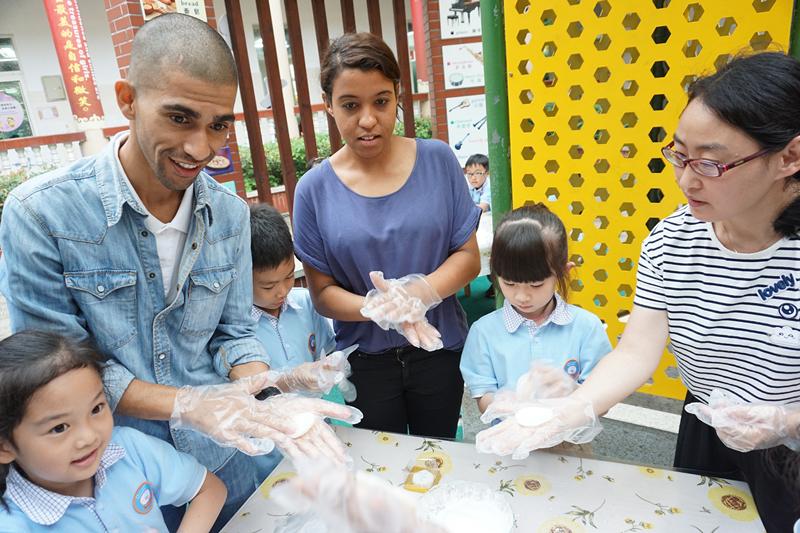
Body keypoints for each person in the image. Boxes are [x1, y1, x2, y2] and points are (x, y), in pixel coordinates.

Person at [0, 13, 359, 529]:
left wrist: (268, 388)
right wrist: (187, 404)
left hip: (224, 455)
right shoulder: (42, 213)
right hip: (106, 474)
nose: (200, 148)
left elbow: (234, 333)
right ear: (127, 99)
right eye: (179, 118)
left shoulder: (230, 215)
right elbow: (51, 375)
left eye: (218, 125)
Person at [475, 52, 800, 532]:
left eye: (709, 164)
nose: (685, 179)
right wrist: (573, 407)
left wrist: (789, 422)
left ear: (789, 157)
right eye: (679, 154)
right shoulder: (672, 240)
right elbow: (636, 352)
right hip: (707, 424)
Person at [292, 32, 481, 438]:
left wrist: (419, 295)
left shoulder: (439, 160)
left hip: (438, 349)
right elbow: (322, 293)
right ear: (328, 105)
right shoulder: (313, 190)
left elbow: (467, 256)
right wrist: (377, 308)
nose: (367, 119)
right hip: (367, 360)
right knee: (381, 467)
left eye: (381, 101)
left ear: (398, 95)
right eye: (349, 105)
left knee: (439, 455)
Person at [0, 331, 227, 532]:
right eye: (59, 428)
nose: (89, 437)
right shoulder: (14, 525)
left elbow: (209, 490)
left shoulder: (128, 448)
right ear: (4, 446)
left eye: (96, 408)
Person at [460, 205, 612, 414]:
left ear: (562, 272)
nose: (522, 296)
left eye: (536, 285)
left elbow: (601, 400)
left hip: (568, 441)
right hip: (507, 440)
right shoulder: (483, 332)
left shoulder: (586, 328)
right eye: (510, 283)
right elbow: (483, 396)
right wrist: (506, 406)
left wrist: (573, 393)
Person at [249, 203, 355, 401]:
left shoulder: (305, 303)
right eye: (268, 286)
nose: (282, 292)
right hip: (265, 427)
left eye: (289, 277)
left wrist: (333, 366)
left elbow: (327, 352)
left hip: (315, 418)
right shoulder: (236, 326)